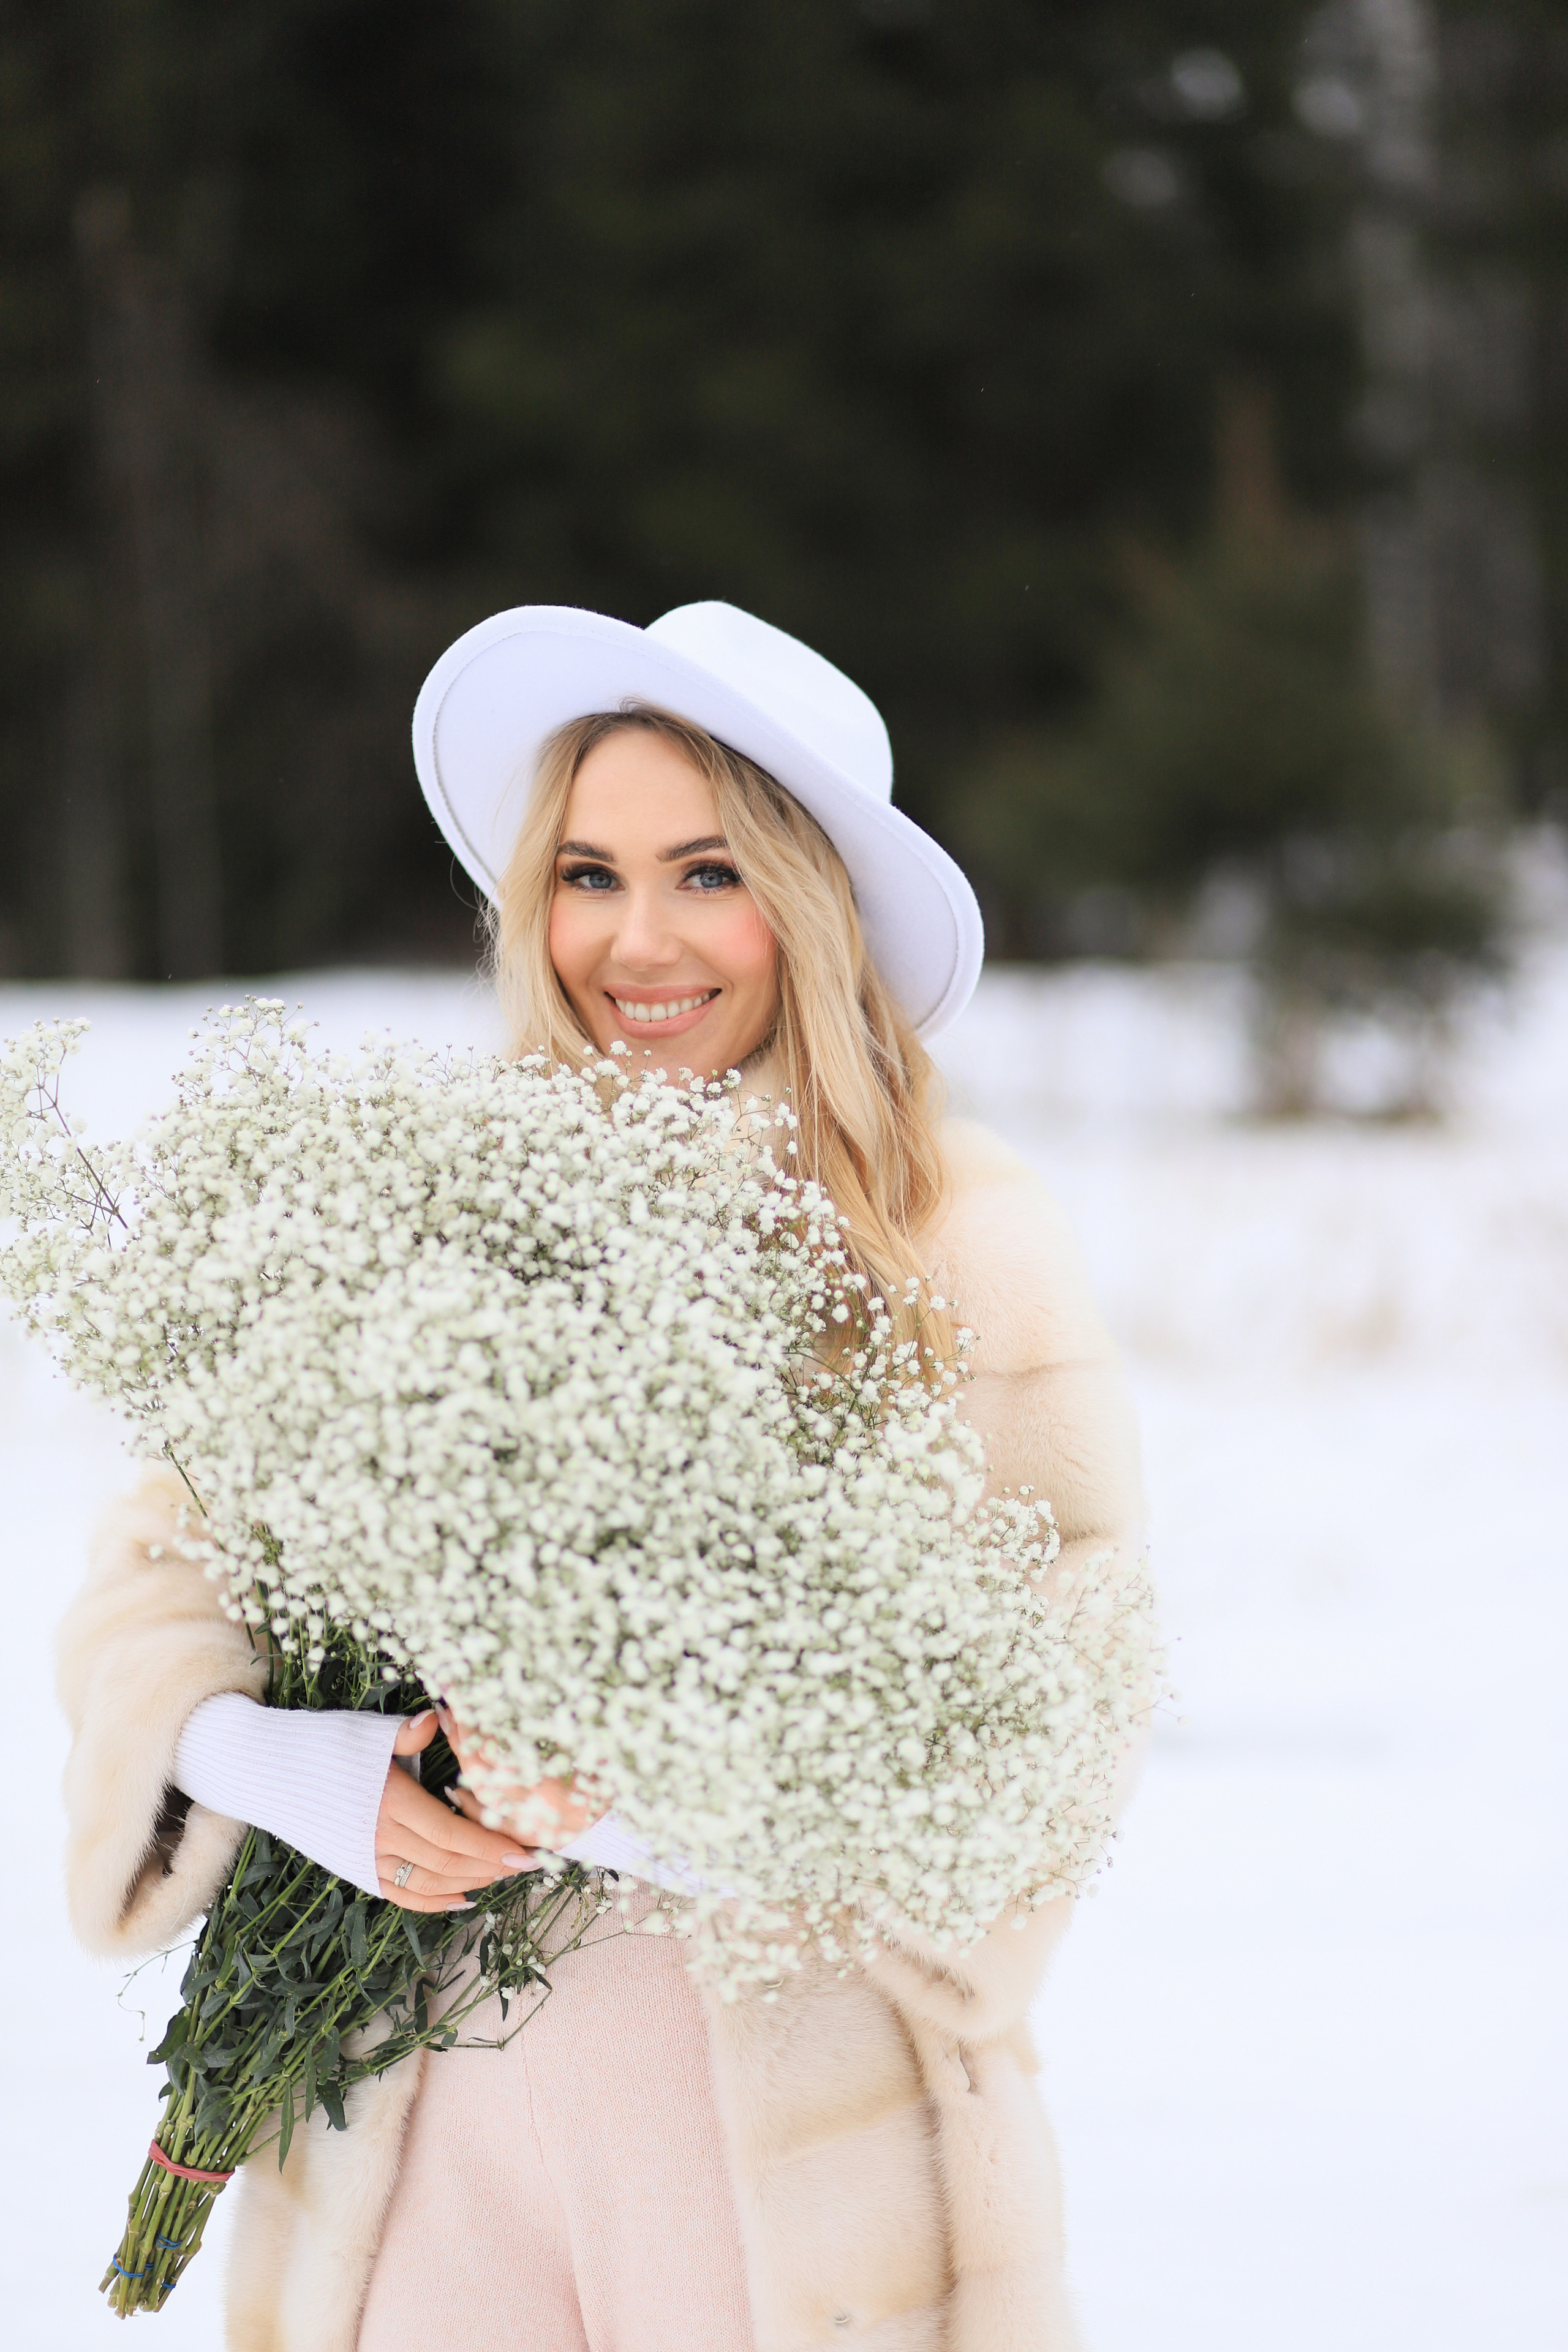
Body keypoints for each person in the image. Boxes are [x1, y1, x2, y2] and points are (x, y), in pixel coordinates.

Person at [56, 603, 1145, 2352]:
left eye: (710, 873)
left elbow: (1054, 1717)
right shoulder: (425, 1202)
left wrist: (647, 1806)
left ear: (813, 902)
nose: (638, 940)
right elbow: (155, 1584)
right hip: (411, 2128)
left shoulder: (949, 1240)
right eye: (587, 874)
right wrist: (297, 1769)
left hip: (785, 2168)